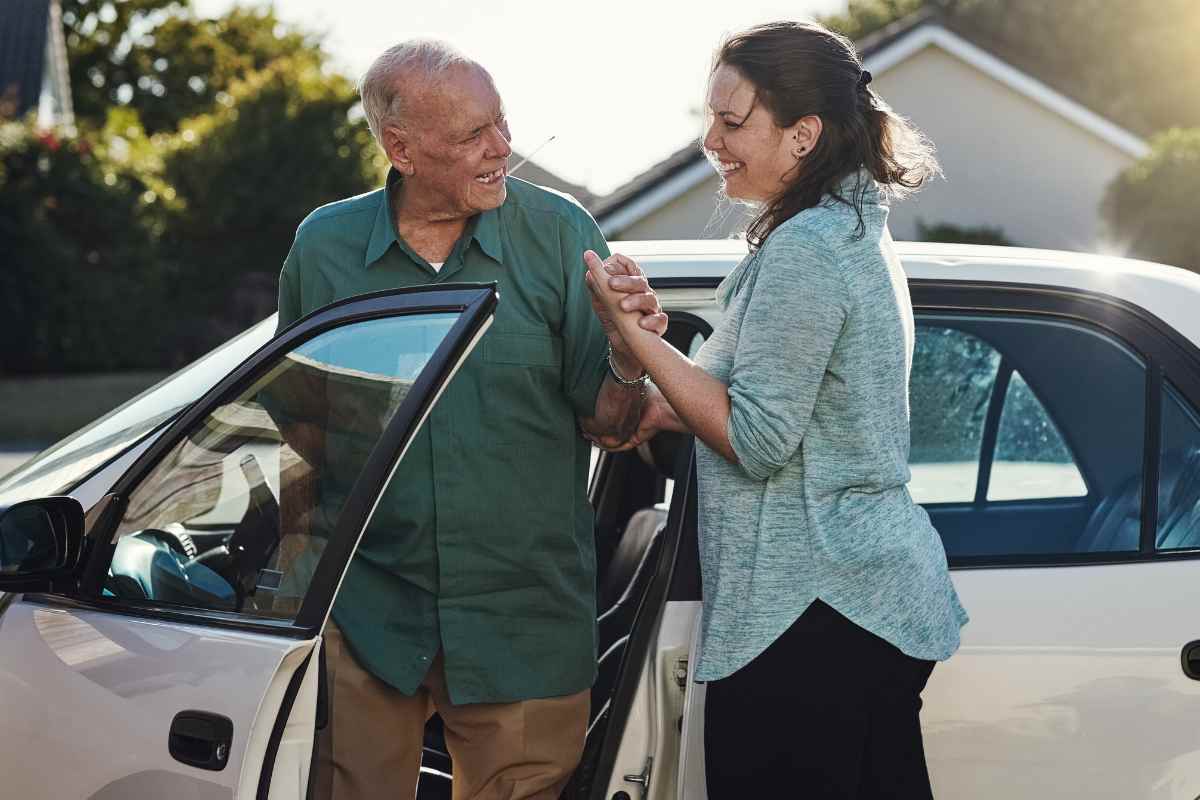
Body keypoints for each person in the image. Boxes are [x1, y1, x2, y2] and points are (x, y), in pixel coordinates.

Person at [585, 20, 968, 799]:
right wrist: (647, 381)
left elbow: (755, 437)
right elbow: (737, 405)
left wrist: (631, 331)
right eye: (709, 119)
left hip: (816, 608)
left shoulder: (812, 248)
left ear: (803, 134)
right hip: (854, 605)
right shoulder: (839, 230)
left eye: (732, 123)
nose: (711, 142)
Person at [275, 39, 666, 800]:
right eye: (471, 136)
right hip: (371, 613)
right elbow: (300, 426)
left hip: (523, 618)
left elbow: (613, 428)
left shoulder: (559, 235)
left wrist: (627, 353)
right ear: (402, 148)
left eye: (502, 123)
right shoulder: (324, 249)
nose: (502, 149)